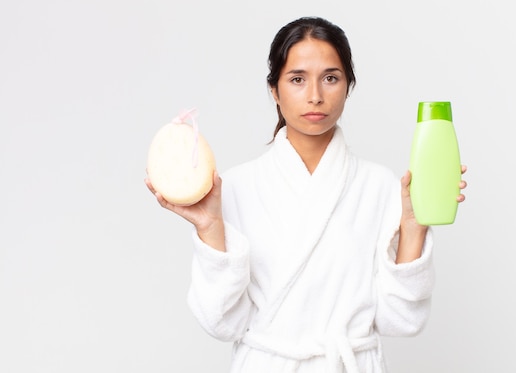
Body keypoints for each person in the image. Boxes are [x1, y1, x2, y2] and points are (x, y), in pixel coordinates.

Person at [146, 16, 467, 373]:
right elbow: (222, 323)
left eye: (331, 78)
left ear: (348, 86)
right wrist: (209, 229)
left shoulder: (380, 187)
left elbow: (402, 321)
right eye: (297, 79)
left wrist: (413, 224)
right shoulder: (233, 188)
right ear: (274, 89)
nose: (315, 95)